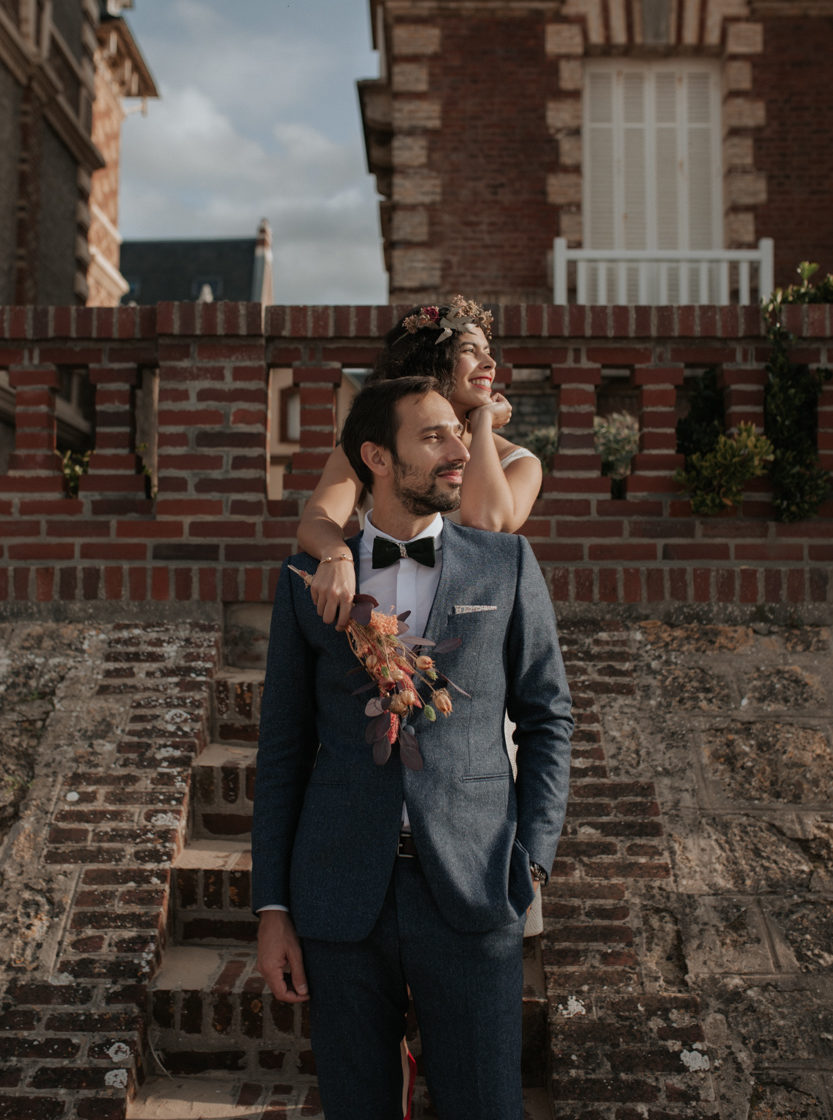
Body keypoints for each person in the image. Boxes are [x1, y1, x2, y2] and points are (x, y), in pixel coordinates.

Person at [253, 375, 573, 1120]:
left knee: (487, 1106)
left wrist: (532, 856)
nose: (461, 448)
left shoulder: (506, 565)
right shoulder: (305, 578)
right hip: (336, 897)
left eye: (457, 433)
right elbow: (282, 749)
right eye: (434, 437)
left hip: (471, 888)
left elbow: (547, 714)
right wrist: (272, 906)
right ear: (377, 457)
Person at [298, 295, 542, 632]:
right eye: (470, 351)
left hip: (470, 631)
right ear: (432, 359)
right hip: (379, 621)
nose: (489, 363)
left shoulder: (519, 463)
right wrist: (336, 556)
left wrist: (482, 422)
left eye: (489, 352)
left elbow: (485, 521)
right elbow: (317, 519)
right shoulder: (372, 447)